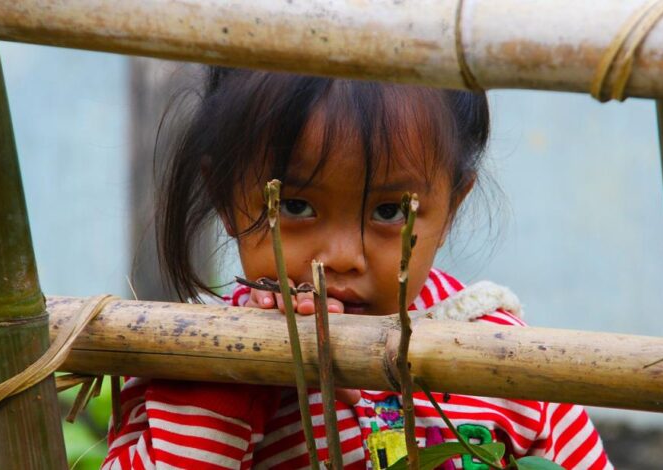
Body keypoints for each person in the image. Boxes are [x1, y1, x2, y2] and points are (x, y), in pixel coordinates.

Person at [102, 68, 612, 470]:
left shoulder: (501, 352)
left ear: (452, 206)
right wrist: (237, 373)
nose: (343, 256)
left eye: (390, 212)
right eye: (296, 205)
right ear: (225, 197)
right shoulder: (196, 361)